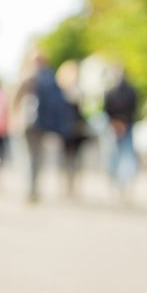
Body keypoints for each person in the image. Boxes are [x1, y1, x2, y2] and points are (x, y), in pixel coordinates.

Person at [13, 50, 68, 202]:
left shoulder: (27, 76)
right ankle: (33, 189)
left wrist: (14, 117)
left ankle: (31, 189)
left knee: (29, 156)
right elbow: (58, 104)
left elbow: (15, 99)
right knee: (37, 157)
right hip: (42, 124)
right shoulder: (50, 78)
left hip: (28, 123)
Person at [103, 66, 138, 198]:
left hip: (121, 126)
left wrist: (118, 122)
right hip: (121, 126)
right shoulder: (128, 91)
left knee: (120, 157)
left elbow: (107, 109)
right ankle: (120, 184)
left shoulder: (111, 90)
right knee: (121, 157)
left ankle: (120, 184)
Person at [56, 60, 88, 198]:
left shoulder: (73, 91)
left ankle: (71, 184)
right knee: (69, 158)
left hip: (73, 130)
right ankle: (69, 184)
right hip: (68, 129)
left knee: (71, 158)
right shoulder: (65, 92)